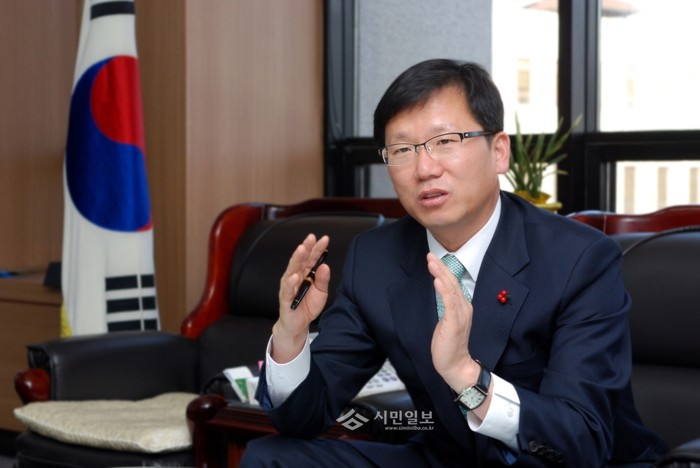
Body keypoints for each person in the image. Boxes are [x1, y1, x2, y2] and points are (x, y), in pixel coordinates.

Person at [240, 59, 667, 466]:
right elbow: (304, 418)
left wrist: (466, 375)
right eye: (402, 149)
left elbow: (582, 440)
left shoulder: (579, 258)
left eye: (445, 142)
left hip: (551, 462)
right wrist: (290, 338)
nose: (424, 168)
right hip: (446, 457)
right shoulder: (375, 258)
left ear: (499, 151)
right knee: (271, 457)